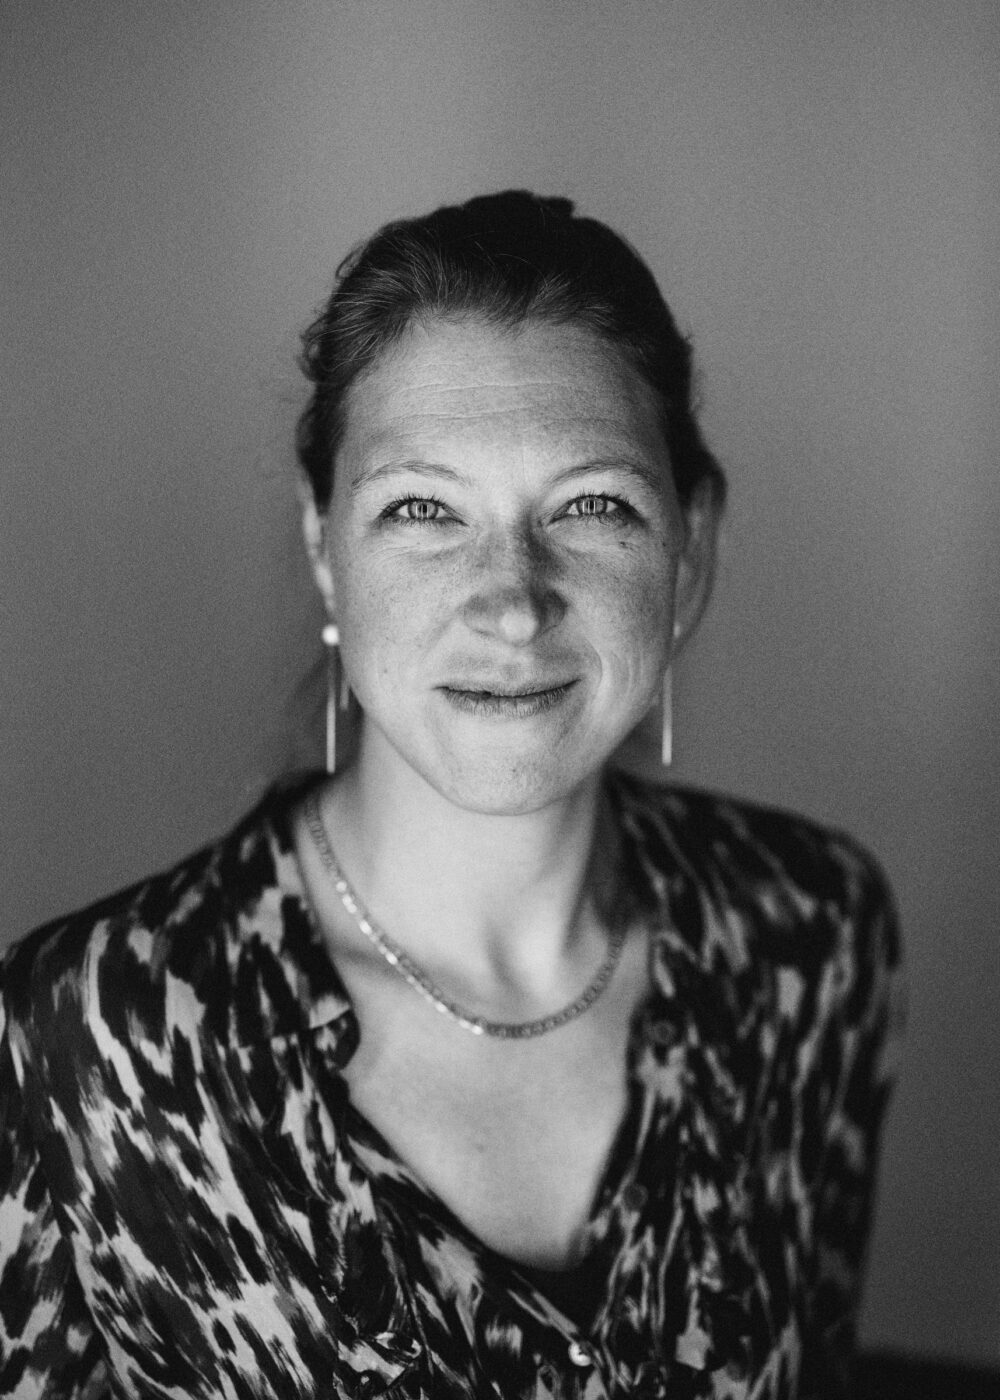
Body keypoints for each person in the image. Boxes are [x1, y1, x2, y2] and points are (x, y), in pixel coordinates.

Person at [0, 191, 903, 1400]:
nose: (512, 602)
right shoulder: (81, 1042)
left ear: (690, 552)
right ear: (325, 548)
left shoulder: (810, 934)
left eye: (593, 504)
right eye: (422, 509)